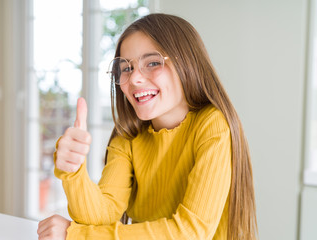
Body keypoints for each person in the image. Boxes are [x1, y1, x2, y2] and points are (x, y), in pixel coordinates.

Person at [37, 13, 258, 240]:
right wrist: (73, 172)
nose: (134, 79)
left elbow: (191, 232)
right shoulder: (128, 135)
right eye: (126, 68)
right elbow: (103, 214)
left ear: (187, 62)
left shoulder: (212, 125)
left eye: (152, 63)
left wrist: (77, 236)